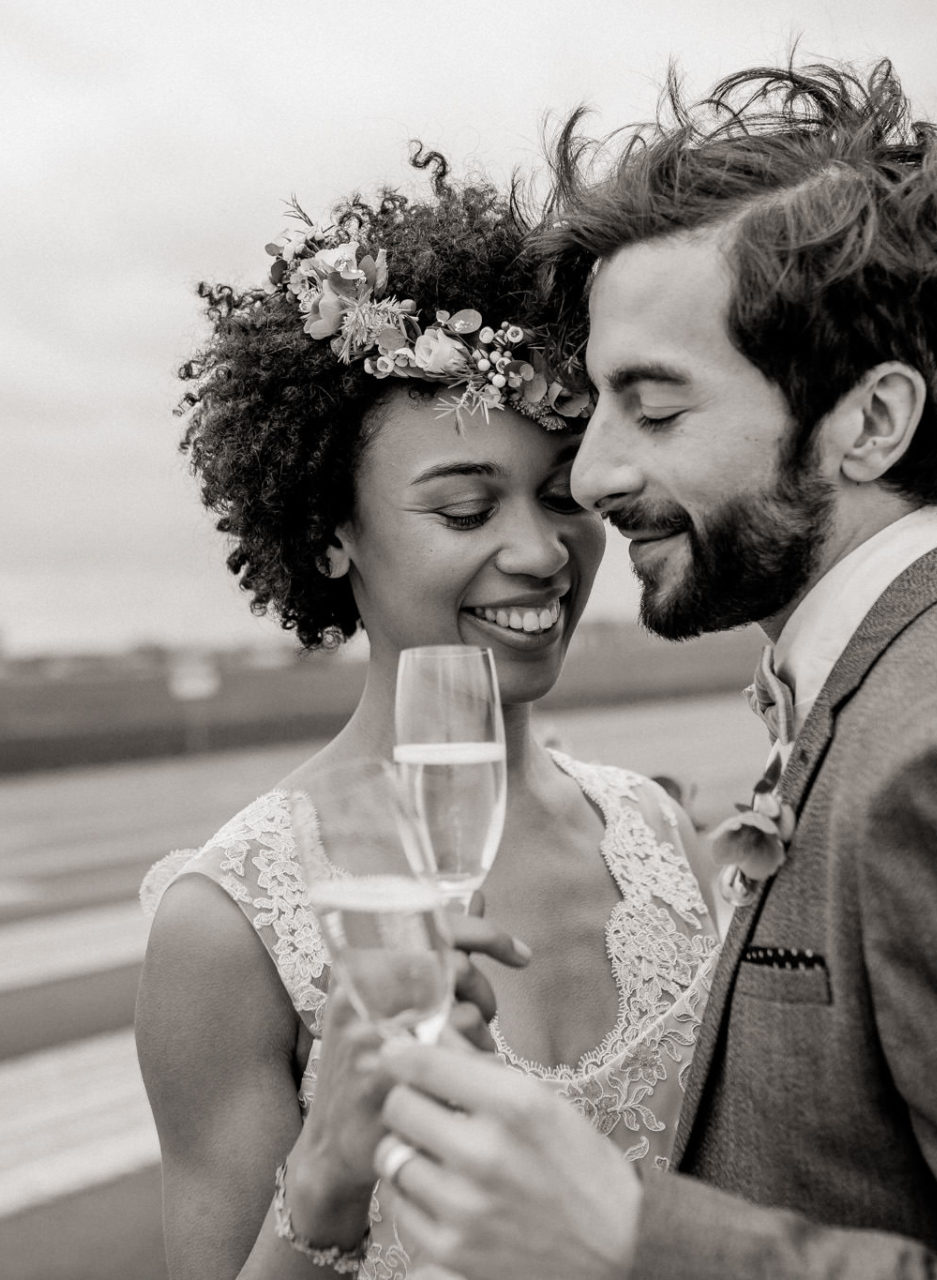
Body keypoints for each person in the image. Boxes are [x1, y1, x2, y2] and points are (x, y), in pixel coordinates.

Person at [372, 62, 937, 1279]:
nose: (592, 476)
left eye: (657, 407)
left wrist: (635, 1237)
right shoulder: (891, 679)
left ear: (869, 421)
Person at [135, 151, 719, 1280]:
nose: (542, 551)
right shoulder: (228, 926)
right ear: (329, 533)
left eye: (560, 492)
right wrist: (329, 1176)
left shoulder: (664, 836)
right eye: (465, 505)